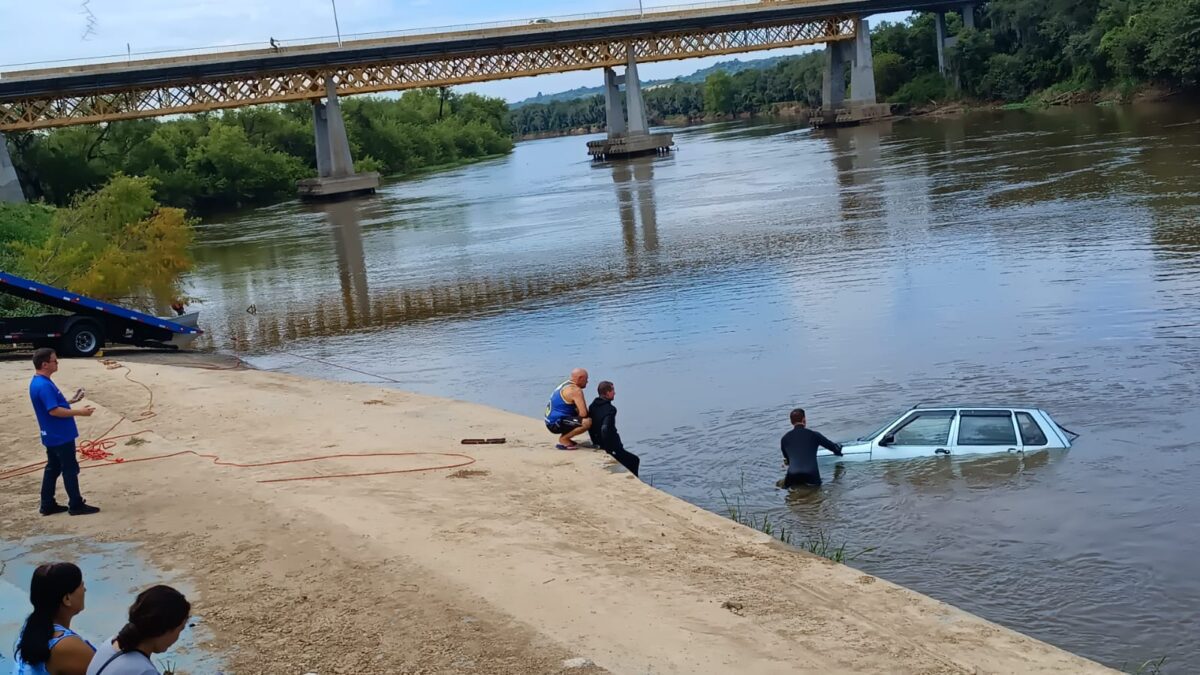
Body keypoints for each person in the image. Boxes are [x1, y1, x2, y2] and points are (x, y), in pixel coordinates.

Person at [29, 348, 100, 516]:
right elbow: (53, 411)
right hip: (60, 435)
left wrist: (70, 401)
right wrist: (79, 412)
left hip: (51, 434)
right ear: (45, 364)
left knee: (52, 468)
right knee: (69, 469)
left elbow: (51, 403)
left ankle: (47, 504)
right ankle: (75, 504)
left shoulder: (38, 382)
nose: (57, 363)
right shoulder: (44, 385)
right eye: (54, 361)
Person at [12, 562, 97, 675]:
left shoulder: (32, 627)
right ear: (67, 599)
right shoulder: (66, 646)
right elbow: (105, 669)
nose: (85, 590)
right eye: (81, 586)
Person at [86, 585, 191, 675]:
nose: (177, 638)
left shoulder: (110, 644)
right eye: (180, 630)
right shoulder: (143, 671)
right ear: (165, 629)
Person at [587, 381, 641, 477]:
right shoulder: (610, 409)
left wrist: (596, 441)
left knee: (628, 460)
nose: (614, 393)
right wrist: (608, 449)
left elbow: (591, 425)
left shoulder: (592, 406)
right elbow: (605, 429)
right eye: (613, 390)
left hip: (597, 442)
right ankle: (636, 480)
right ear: (607, 393)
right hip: (611, 447)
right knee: (634, 460)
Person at [780, 408, 842, 488]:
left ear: (791, 422)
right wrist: (839, 450)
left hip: (792, 475)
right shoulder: (814, 435)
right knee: (816, 495)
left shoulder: (784, 439)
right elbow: (834, 448)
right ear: (804, 420)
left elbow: (788, 461)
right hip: (811, 474)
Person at [544, 368, 591, 450]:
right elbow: (583, 414)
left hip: (550, 420)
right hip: (555, 423)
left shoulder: (565, 384)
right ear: (580, 378)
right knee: (587, 422)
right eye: (586, 379)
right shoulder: (575, 390)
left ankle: (566, 437)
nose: (587, 382)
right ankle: (564, 439)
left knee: (578, 415)